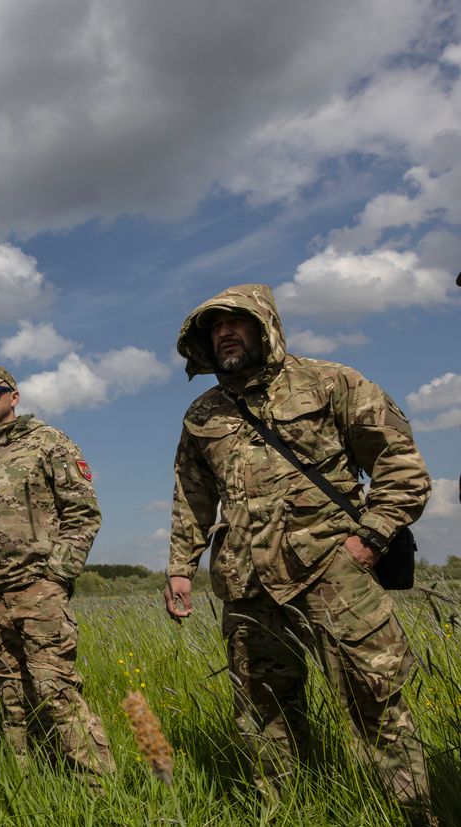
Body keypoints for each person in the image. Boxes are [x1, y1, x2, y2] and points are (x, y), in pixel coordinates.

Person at [164, 284, 434, 822]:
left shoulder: (331, 382)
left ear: (264, 324)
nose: (224, 334)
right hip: (247, 585)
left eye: (234, 322)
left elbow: (401, 467)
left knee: (375, 700)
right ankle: (286, 813)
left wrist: (370, 538)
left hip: (334, 572)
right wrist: (180, 567)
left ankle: (416, 813)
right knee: (262, 713)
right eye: (213, 328)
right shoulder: (203, 414)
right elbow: (192, 497)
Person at [0, 366, 114, 778]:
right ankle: (35, 783)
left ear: (14, 396)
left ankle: (98, 788)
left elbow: (83, 514)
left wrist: (56, 576)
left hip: (36, 591)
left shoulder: (48, 443)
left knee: (55, 691)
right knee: (12, 700)